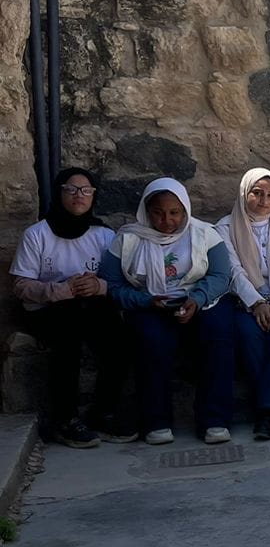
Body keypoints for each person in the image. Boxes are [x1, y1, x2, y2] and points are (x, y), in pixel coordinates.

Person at [100, 177, 235, 445]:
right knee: (151, 340)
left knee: (218, 334)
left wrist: (197, 299)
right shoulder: (128, 239)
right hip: (149, 303)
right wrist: (145, 301)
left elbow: (221, 275)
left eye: (175, 212)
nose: (167, 220)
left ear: (185, 210)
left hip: (198, 301)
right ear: (146, 211)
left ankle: (214, 419)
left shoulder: (204, 234)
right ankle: (156, 421)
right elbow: (111, 284)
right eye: (158, 213)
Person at [10, 167, 132, 447]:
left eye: (86, 190)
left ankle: (103, 412)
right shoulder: (37, 235)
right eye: (72, 189)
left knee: (119, 337)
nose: (80, 195)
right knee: (67, 339)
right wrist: (61, 289)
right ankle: (65, 419)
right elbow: (21, 285)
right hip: (47, 309)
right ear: (59, 193)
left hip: (90, 306)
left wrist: (98, 285)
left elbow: (118, 280)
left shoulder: (103, 235)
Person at [216, 168, 270, 440]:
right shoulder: (225, 227)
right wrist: (255, 303)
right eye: (257, 193)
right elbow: (233, 271)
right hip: (243, 301)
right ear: (244, 193)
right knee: (249, 334)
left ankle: (268, 413)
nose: (264, 201)